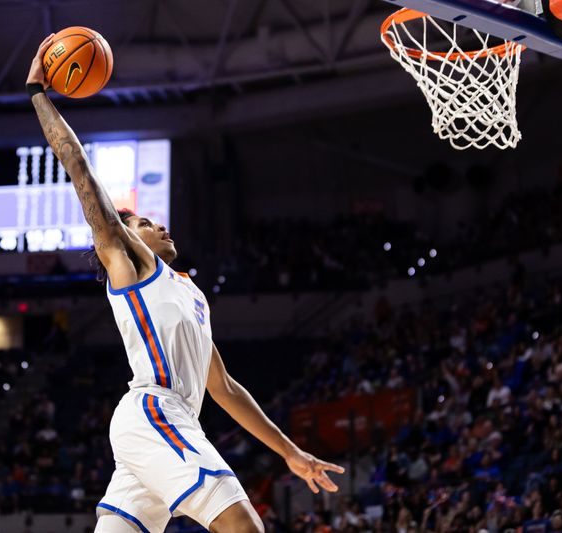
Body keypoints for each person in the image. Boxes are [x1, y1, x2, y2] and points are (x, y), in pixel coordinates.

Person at [26, 35, 344, 533]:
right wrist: (39, 95)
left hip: (166, 426)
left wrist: (290, 451)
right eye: (144, 223)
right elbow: (79, 168)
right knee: (244, 526)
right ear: (125, 239)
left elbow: (225, 388)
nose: (159, 225)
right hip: (155, 411)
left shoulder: (190, 294)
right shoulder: (133, 269)